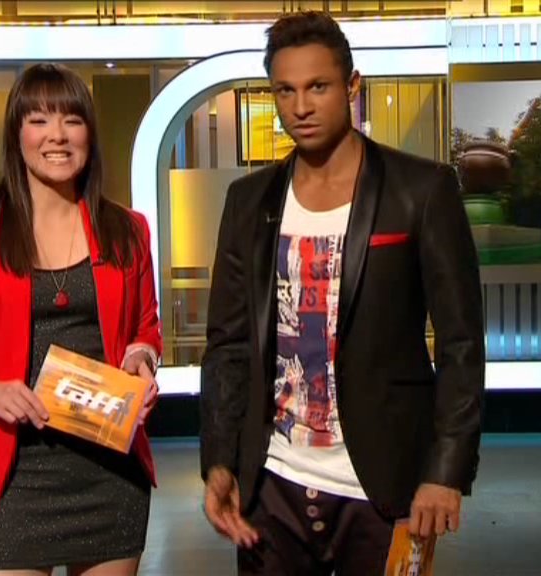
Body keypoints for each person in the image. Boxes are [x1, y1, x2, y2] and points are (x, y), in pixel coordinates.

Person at [199, 11, 486, 576]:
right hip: (273, 483)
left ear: (352, 86)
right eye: (285, 90)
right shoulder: (248, 201)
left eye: (318, 87)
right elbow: (228, 344)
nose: (300, 106)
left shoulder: (421, 190)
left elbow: (461, 344)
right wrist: (220, 460)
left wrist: (445, 471)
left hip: (384, 485)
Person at [0, 63, 162, 576]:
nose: (57, 136)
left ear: (89, 133)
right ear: (16, 133)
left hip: (109, 468)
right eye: (39, 120)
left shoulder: (128, 230)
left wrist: (141, 362)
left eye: (72, 120)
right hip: (12, 470)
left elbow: (146, 330)